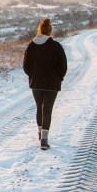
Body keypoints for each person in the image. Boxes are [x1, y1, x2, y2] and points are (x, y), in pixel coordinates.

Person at [22, 17, 67, 150]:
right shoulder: (56, 46)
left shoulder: (31, 46)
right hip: (52, 84)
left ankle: (40, 132)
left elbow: (26, 66)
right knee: (47, 110)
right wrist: (59, 78)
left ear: (40, 30)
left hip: (36, 83)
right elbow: (63, 66)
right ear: (50, 31)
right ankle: (44, 140)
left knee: (39, 108)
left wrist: (33, 76)